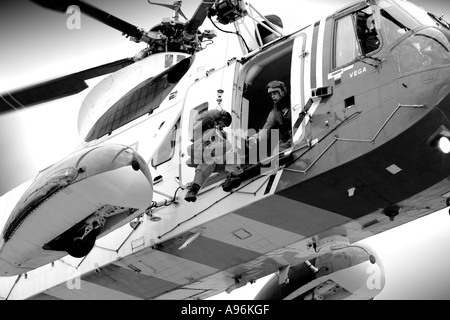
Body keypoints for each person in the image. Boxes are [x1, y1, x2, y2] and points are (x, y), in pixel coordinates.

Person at [222, 80, 292, 192]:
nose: (272, 96)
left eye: (275, 93)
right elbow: (265, 130)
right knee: (274, 158)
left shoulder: (295, 104)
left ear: (282, 92)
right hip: (285, 142)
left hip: (296, 138)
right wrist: (254, 138)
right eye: (270, 94)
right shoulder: (273, 113)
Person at [185, 109, 233, 202]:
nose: (223, 126)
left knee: (207, 165)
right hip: (204, 150)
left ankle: (193, 190)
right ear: (221, 119)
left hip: (207, 155)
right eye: (224, 123)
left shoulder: (215, 130)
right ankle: (231, 176)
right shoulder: (211, 129)